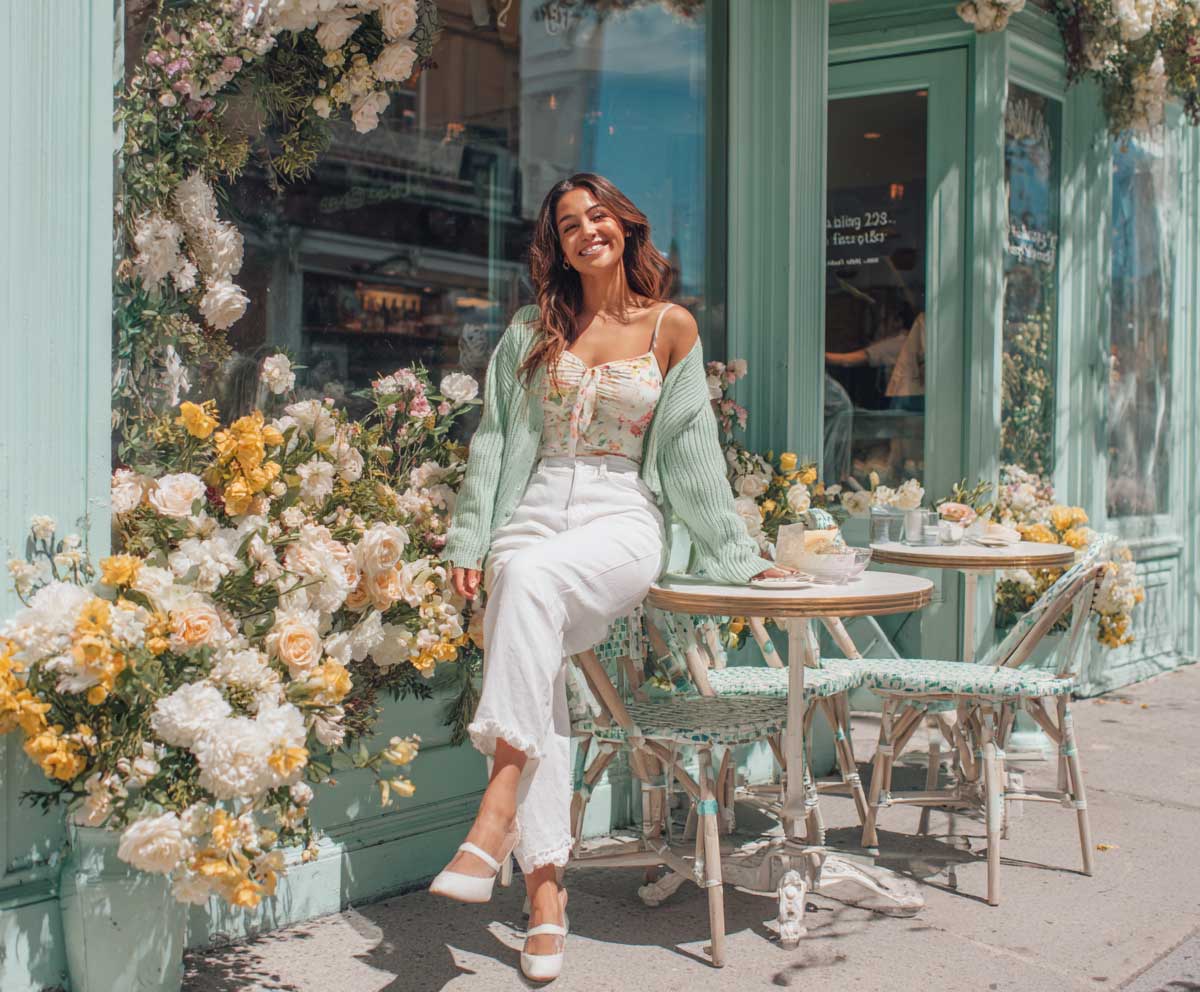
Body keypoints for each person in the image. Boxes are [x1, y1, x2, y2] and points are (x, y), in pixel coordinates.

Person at [430, 172, 793, 981]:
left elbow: (697, 456)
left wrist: (739, 555)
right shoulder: (532, 328)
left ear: (626, 228)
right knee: (528, 609)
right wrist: (468, 538)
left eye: (598, 217)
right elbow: (494, 441)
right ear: (555, 246)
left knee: (528, 590)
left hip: (618, 517)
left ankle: (494, 818)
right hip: (531, 514)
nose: (585, 231)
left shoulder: (671, 326)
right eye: (568, 224)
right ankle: (547, 903)